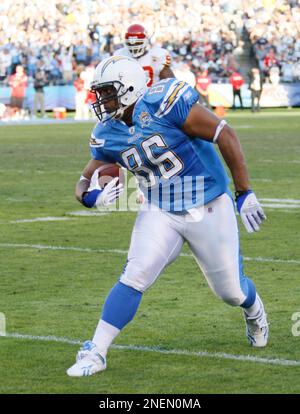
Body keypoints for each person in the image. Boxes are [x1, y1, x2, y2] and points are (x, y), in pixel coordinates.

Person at [67, 56, 268, 377]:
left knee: (230, 291)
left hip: (208, 205)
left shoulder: (165, 103)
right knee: (136, 272)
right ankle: (95, 351)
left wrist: (243, 191)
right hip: (159, 209)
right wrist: (91, 196)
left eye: (108, 92)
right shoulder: (108, 131)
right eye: (100, 93)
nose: (101, 100)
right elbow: (83, 180)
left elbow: (224, 134)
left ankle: (254, 309)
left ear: (130, 88)